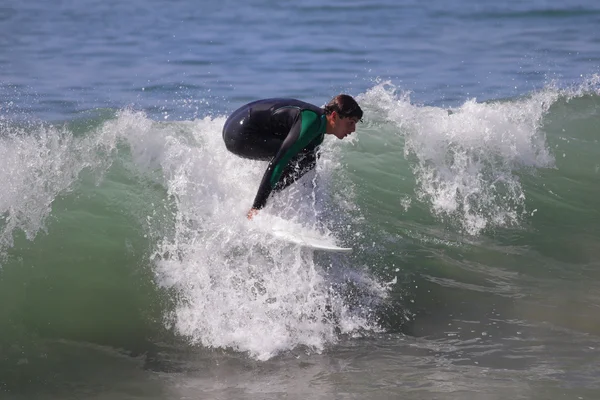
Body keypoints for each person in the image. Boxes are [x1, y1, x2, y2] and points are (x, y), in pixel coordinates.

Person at [222, 94, 363, 219]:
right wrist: (257, 207)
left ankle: (268, 197)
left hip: (237, 126)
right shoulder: (312, 121)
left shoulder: (318, 132)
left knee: (310, 157)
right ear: (334, 116)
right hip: (239, 134)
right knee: (297, 156)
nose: (353, 129)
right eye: (350, 123)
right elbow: (278, 162)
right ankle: (257, 208)